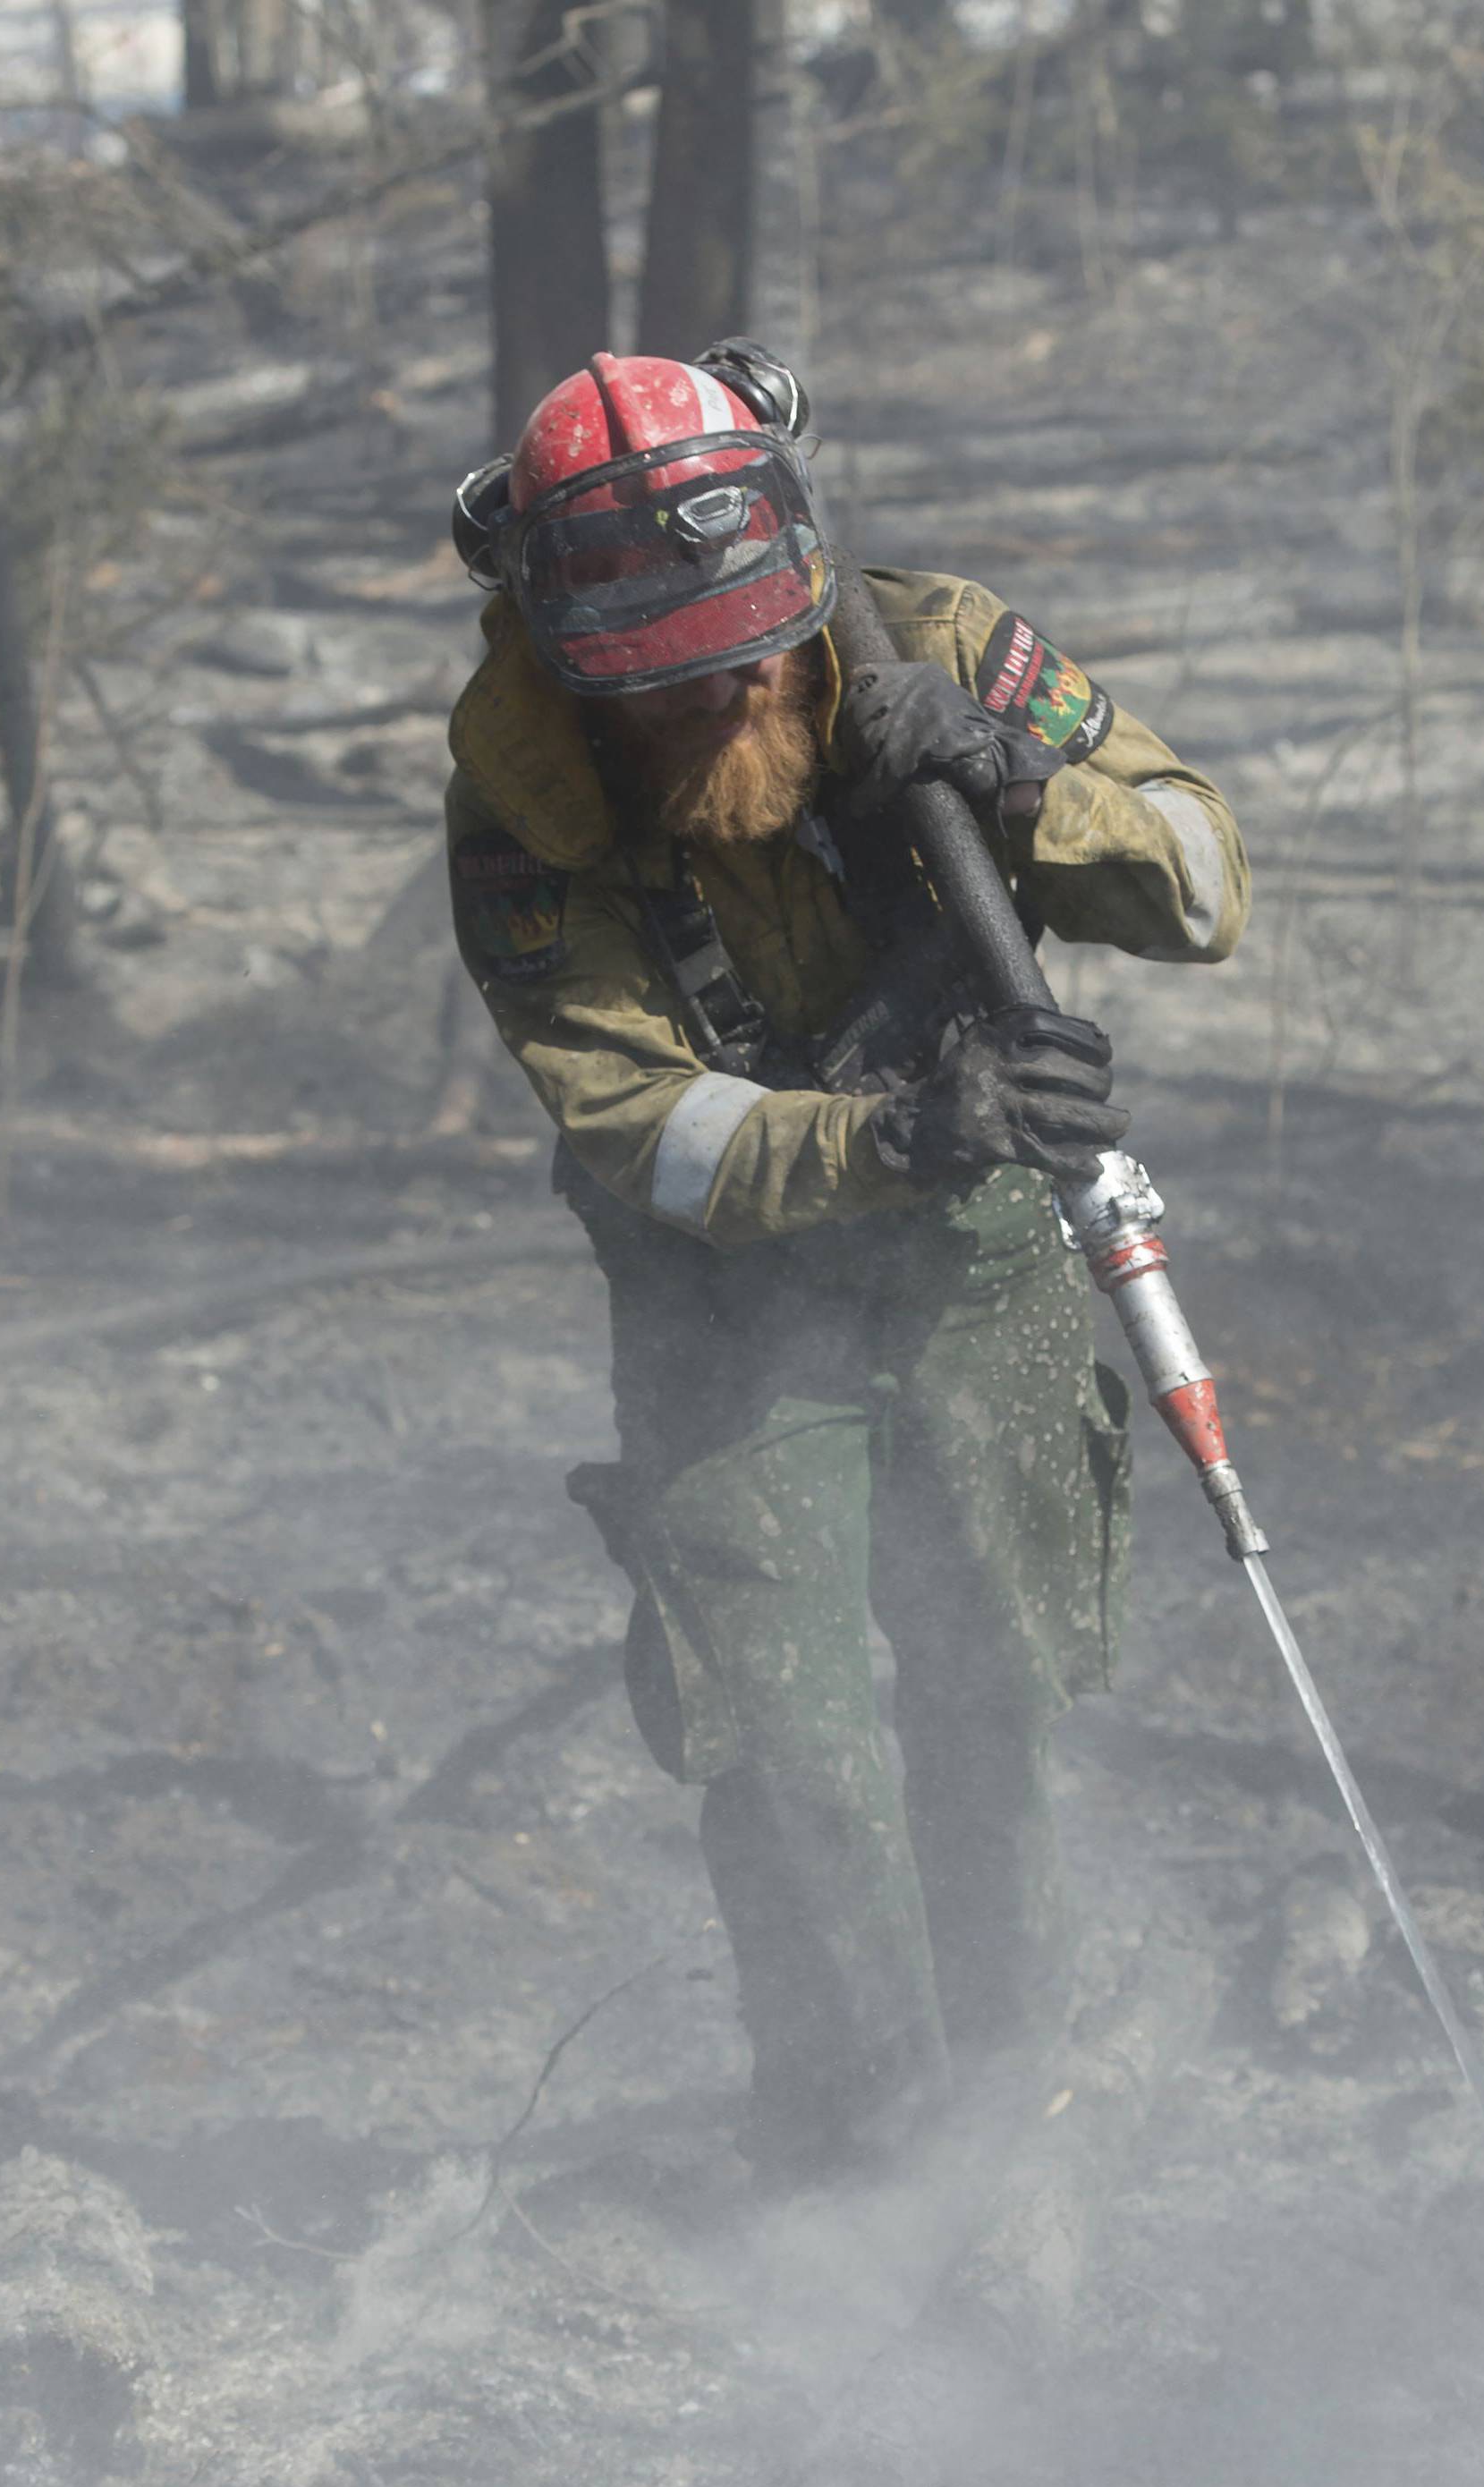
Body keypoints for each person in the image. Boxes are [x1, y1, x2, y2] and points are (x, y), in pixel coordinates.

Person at [445, 342, 1250, 2183]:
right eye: (668, 689)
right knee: (796, 1755)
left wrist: (1030, 794)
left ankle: (1019, 2125)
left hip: (980, 1279)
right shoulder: (522, 799)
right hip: (729, 1324)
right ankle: (852, 2163)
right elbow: (642, 1123)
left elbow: (1205, 877)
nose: (728, 701)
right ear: (579, 666)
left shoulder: (937, 645)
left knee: (1006, 1706)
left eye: (748, 655)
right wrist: (890, 1134)